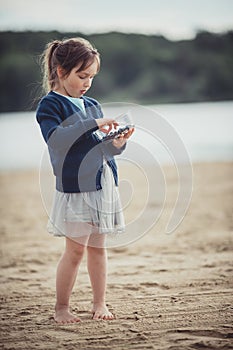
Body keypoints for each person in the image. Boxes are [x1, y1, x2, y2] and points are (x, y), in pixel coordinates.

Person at [36, 37, 134, 324]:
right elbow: (57, 140)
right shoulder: (49, 105)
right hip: (76, 188)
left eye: (91, 76)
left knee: (98, 248)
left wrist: (116, 144)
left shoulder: (91, 103)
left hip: (102, 183)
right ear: (60, 72)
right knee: (75, 250)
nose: (88, 82)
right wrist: (94, 124)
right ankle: (61, 308)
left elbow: (99, 147)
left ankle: (99, 303)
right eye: (82, 75)